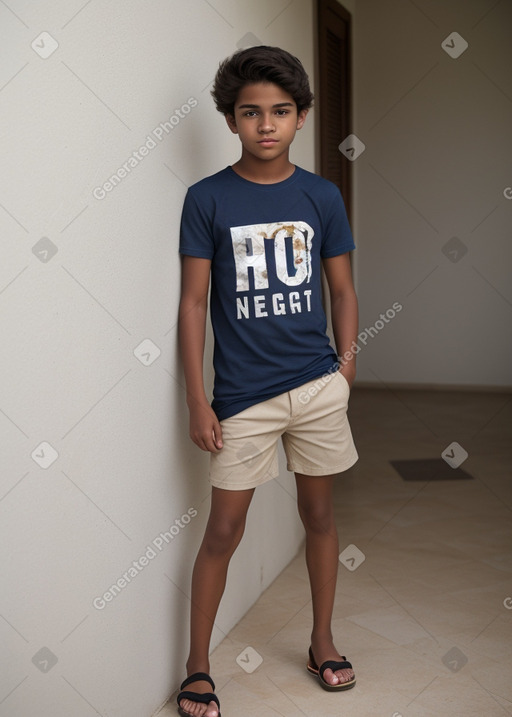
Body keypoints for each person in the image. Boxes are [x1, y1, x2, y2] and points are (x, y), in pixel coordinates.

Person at [177, 45, 359, 717]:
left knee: (319, 514)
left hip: (315, 386)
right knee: (224, 529)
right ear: (231, 120)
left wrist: (346, 364)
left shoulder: (321, 195)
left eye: (280, 111)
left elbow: (341, 287)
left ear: (302, 116)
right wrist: (199, 397)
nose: (266, 125)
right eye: (250, 113)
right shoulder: (207, 200)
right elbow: (194, 304)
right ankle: (197, 664)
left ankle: (322, 638)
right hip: (242, 398)